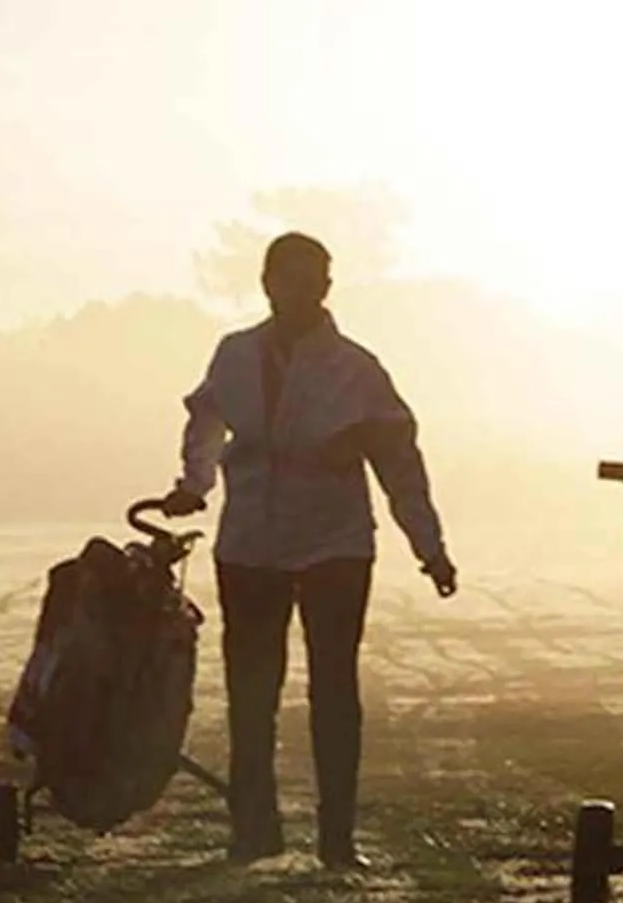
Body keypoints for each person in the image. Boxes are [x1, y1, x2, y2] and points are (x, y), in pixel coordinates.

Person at [161, 231, 456, 868]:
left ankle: (337, 839)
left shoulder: (357, 371)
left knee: (334, 691)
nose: (303, 293)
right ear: (268, 283)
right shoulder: (235, 355)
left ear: (327, 286)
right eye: (290, 280)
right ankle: (253, 832)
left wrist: (428, 545)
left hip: (334, 545)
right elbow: (205, 421)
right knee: (251, 691)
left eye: (314, 280)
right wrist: (193, 484)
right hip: (248, 544)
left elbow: (400, 466)